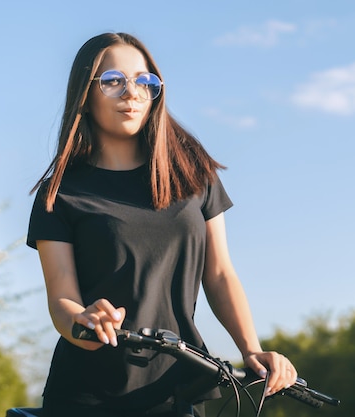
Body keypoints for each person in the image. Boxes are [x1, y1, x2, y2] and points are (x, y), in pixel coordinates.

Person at [26, 32, 298, 417]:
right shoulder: (61, 193)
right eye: (113, 81)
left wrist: (252, 349)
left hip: (178, 391)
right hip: (85, 397)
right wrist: (85, 324)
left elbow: (219, 274)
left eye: (144, 81)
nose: (131, 92)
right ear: (85, 95)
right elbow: (61, 301)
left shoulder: (194, 172)